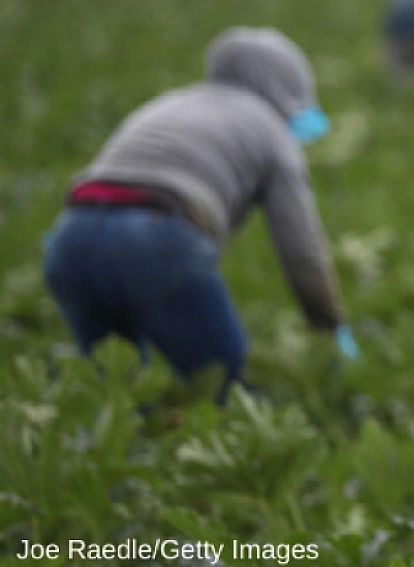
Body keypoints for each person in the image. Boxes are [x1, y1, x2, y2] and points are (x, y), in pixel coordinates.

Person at [42, 27, 358, 395]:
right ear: (288, 87)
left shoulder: (169, 103)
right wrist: (329, 326)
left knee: (119, 400)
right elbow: (301, 251)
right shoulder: (272, 131)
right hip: (157, 239)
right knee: (231, 399)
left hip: (70, 240)